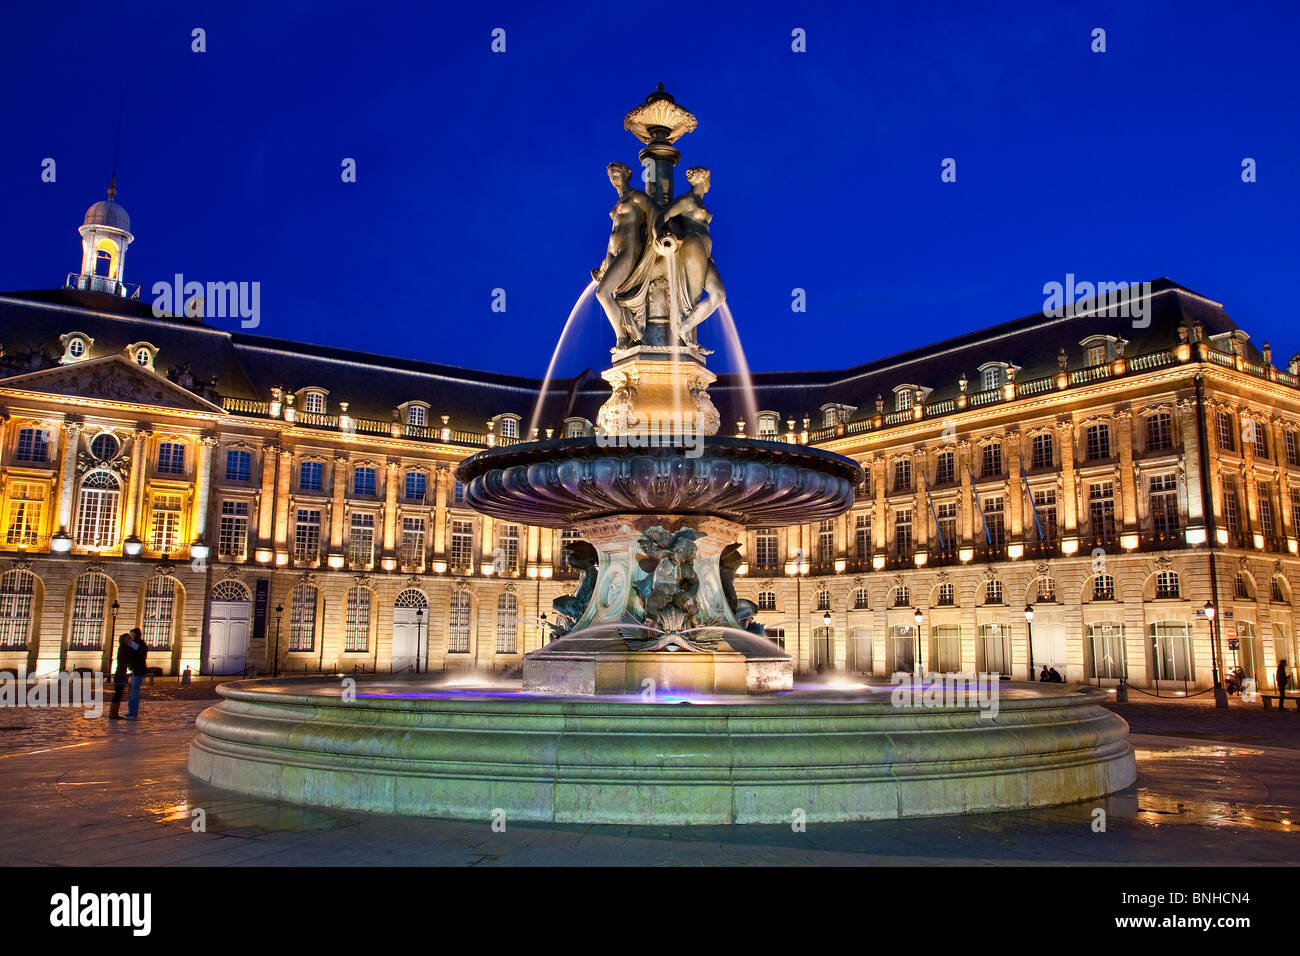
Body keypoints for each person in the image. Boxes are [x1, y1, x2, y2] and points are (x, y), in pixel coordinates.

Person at [125, 627, 148, 720]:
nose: (131, 637)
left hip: (138, 670)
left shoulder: (138, 644)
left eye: (132, 635)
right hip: (137, 670)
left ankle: (133, 713)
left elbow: (135, 653)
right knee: (133, 691)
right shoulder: (140, 644)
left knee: (134, 692)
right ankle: (132, 712)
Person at [108, 633, 132, 720]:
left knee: (118, 693)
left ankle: (113, 712)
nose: (130, 640)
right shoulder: (124, 649)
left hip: (121, 672)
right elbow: (127, 659)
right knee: (118, 694)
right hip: (121, 673)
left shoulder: (122, 648)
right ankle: (113, 713)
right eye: (128, 639)